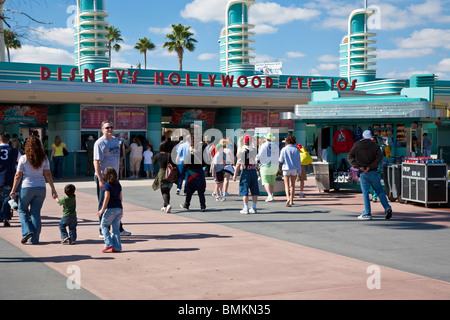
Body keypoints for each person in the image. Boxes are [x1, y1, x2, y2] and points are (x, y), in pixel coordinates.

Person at [10, 136, 58, 244]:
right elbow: (48, 174)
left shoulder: (23, 158)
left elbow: (18, 175)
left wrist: (13, 190)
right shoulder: (44, 158)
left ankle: (28, 231)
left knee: (22, 210)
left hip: (27, 188)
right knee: (35, 213)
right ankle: (35, 239)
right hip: (41, 187)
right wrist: (53, 189)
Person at [93, 120, 131, 237]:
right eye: (107, 128)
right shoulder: (99, 143)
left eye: (111, 127)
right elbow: (96, 162)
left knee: (116, 202)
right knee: (103, 202)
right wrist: (100, 179)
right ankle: (102, 230)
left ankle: (119, 228)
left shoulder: (116, 141)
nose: (109, 129)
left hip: (114, 178)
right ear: (102, 129)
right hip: (104, 178)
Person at [348, 130, 393, 220]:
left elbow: (350, 157)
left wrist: (359, 167)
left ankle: (367, 213)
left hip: (363, 173)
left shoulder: (357, 145)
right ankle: (387, 207)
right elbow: (379, 158)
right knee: (379, 190)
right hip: (373, 171)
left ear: (363, 136)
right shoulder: (375, 146)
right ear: (371, 136)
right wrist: (370, 166)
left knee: (365, 192)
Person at [97, 167, 123, 253]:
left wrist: (102, 209)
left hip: (110, 209)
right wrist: (121, 208)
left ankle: (108, 244)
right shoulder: (118, 185)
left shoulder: (107, 185)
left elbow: (107, 197)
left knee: (104, 226)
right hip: (119, 208)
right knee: (116, 228)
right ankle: (117, 247)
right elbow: (120, 197)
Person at [233, 135, 259, 214]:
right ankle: (254, 207)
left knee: (245, 190)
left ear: (244, 141)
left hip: (245, 171)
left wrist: (235, 175)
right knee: (254, 189)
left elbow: (238, 164)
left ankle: (246, 207)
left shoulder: (242, 151)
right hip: (253, 171)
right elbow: (254, 147)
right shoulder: (254, 150)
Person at [180, 138, 207, 212]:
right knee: (201, 192)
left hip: (192, 173)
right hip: (200, 173)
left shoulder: (190, 155)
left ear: (192, 147)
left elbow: (185, 165)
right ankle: (203, 206)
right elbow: (205, 163)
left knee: (189, 191)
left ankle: (186, 205)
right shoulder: (201, 155)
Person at [0, 133, 19, 227]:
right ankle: (6, 218)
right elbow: (21, 161)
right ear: (8, 140)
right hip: (8, 177)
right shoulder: (14, 151)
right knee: (6, 198)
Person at [152, 140, 176, 213]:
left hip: (162, 174)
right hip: (170, 175)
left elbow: (153, 163)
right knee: (167, 191)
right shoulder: (170, 155)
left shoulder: (158, 155)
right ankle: (165, 206)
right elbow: (174, 164)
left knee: (164, 192)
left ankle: (168, 205)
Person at [278, 135, 302, 207]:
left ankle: (287, 198)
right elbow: (299, 161)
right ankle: (291, 200)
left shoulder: (284, 149)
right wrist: (299, 171)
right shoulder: (296, 149)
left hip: (286, 168)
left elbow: (281, 160)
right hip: (294, 169)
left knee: (286, 184)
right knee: (292, 185)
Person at [256, 132, 279, 202]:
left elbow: (260, 155)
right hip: (275, 164)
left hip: (265, 165)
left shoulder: (263, 146)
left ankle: (269, 195)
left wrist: (256, 160)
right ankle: (271, 195)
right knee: (272, 181)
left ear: (266, 139)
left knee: (266, 180)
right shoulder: (276, 146)